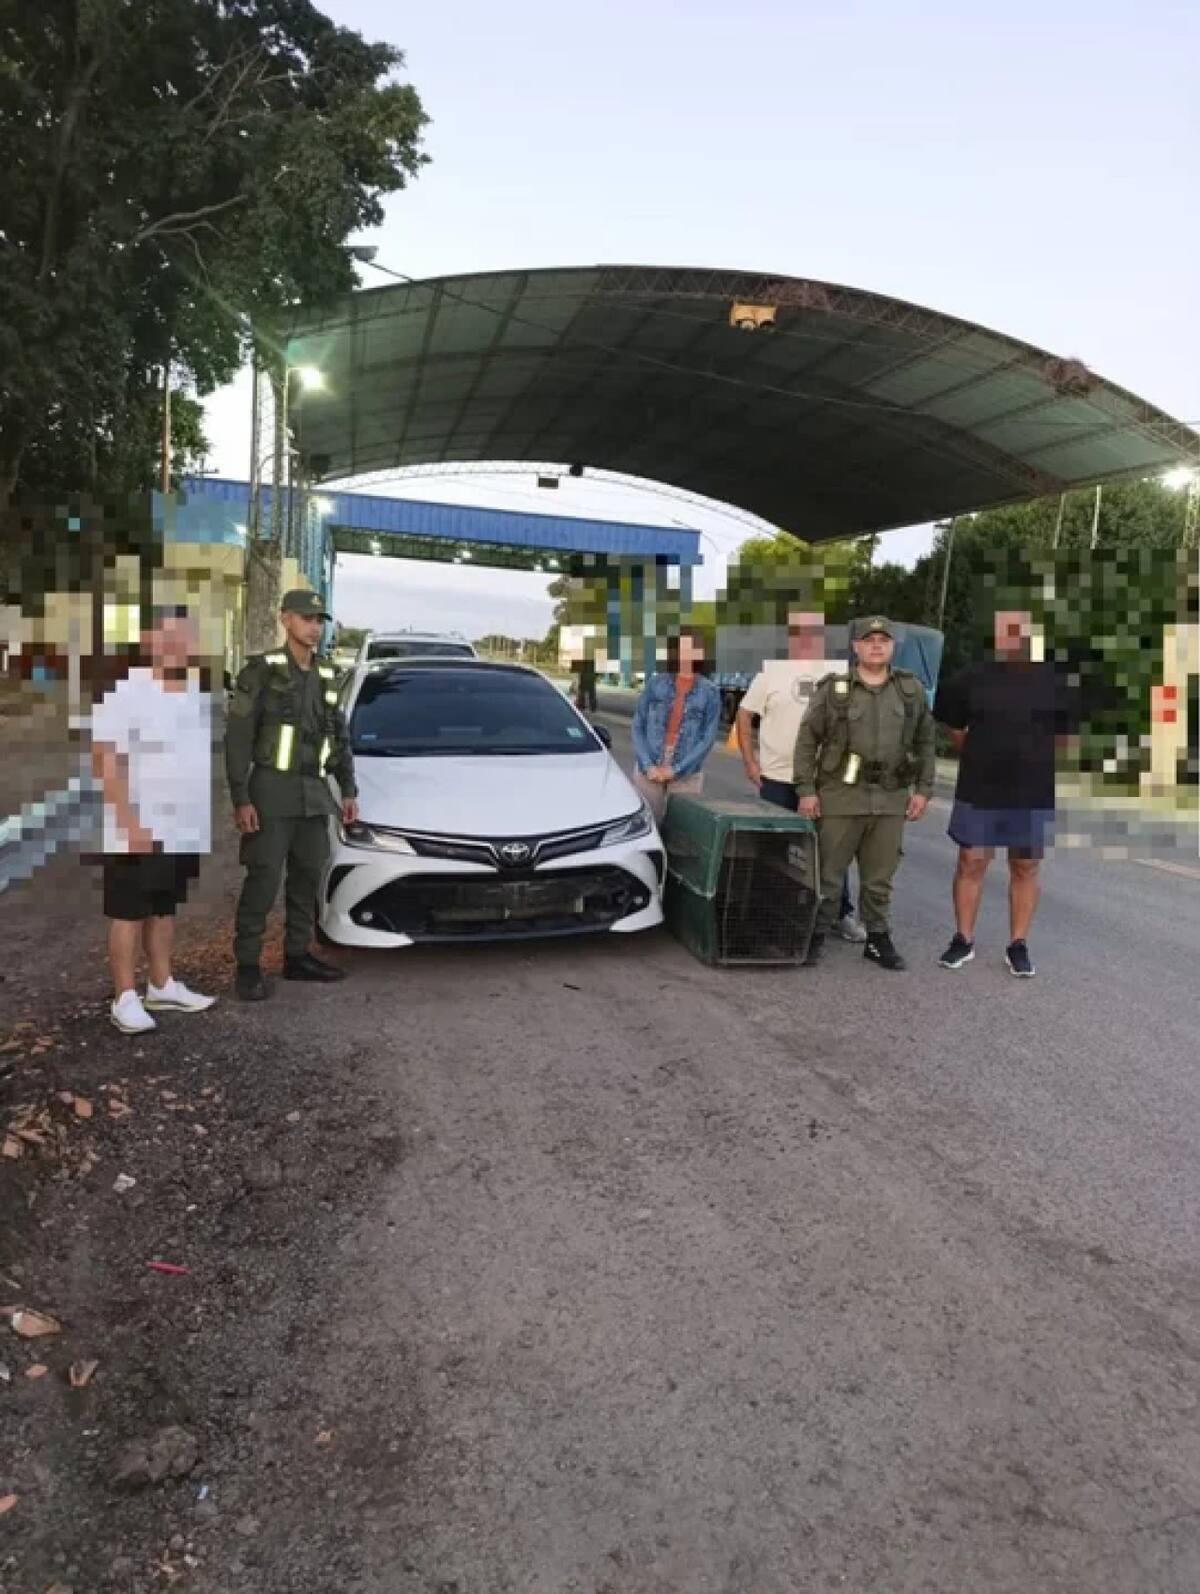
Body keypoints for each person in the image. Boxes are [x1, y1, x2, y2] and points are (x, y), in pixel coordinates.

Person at [226, 589, 358, 1001]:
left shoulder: (328, 674)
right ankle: (247, 965)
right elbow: (238, 740)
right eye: (306, 619)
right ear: (285, 619)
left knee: (307, 878)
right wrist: (241, 797)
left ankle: (297, 955)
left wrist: (348, 789)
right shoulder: (261, 673)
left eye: (320, 620)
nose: (314, 627)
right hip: (271, 792)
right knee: (263, 879)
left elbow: (338, 737)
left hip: (314, 794)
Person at [90, 607, 217, 1034]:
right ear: (147, 641)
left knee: (164, 907)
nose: (177, 644)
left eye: (184, 635)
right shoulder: (126, 693)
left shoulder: (194, 695)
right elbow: (106, 761)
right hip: (138, 824)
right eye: (166, 636)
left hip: (181, 827)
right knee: (128, 911)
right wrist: (128, 823)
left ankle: (161, 985)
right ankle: (124, 996)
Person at [933, 608, 1079, 978]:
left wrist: (1031, 756)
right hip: (979, 788)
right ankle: (963, 940)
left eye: (1019, 629)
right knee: (971, 862)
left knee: (1025, 866)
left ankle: (1018, 945)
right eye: (1005, 629)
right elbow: (952, 724)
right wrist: (981, 751)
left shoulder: (1056, 681)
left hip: (1032, 791)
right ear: (997, 635)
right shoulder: (972, 677)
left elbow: (1066, 737)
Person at [795, 616, 935, 971]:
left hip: (890, 798)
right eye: (868, 639)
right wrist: (806, 790)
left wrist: (923, 790)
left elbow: (925, 741)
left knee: (880, 877)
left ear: (892, 646)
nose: (876, 645)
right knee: (828, 873)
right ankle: (815, 933)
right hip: (841, 795)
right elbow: (807, 739)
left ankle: (877, 938)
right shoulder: (834, 689)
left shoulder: (910, 690)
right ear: (856, 646)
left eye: (883, 640)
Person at [735, 608, 865, 942]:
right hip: (777, 778)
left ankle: (841, 913)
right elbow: (744, 714)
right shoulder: (771, 674)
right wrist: (750, 761)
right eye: (799, 632)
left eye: (814, 632)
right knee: (776, 850)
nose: (806, 639)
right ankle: (771, 911)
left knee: (831, 849)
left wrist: (849, 776)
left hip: (825, 782)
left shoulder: (839, 674)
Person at [630, 626, 721, 822]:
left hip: (687, 772)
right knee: (646, 825)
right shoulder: (656, 684)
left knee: (681, 831)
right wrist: (647, 765)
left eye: (692, 648)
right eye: (682, 648)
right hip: (651, 765)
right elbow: (638, 725)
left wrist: (676, 769)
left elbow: (707, 738)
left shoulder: (710, 691)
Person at [573, 647, 598, 714]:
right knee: (591, 694)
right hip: (590, 679)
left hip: (584, 679)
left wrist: (576, 681)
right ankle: (592, 707)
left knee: (582, 693)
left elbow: (577, 672)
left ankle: (582, 706)